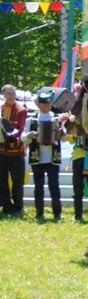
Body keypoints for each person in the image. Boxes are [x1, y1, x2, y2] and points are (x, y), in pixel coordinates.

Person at [21, 91, 63, 220]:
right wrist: (29, 135)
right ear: (38, 104)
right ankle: (39, 213)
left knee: (54, 185)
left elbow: (65, 138)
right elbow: (23, 137)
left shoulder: (57, 118)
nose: (45, 106)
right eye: (43, 103)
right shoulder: (31, 119)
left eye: (48, 103)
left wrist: (62, 133)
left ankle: (57, 213)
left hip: (53, 156)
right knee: (38, 186)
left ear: (51, 104)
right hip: (36, 156)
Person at [0, 84, 27, 215]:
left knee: (17, 182)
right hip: (1, 152)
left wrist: (13, 140)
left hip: (16, 152)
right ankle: (6, 206)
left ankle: (18, 207)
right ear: (3, 95)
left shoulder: (21, 110)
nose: (11, 96)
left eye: (13, 93)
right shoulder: (0, 108)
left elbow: (21, 130)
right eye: (8, 93)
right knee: (2, 180)